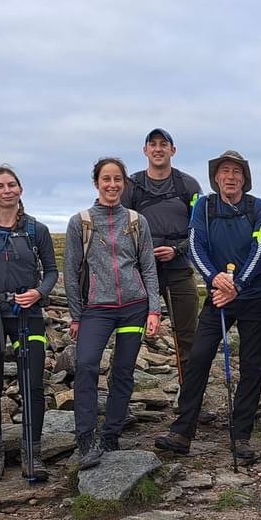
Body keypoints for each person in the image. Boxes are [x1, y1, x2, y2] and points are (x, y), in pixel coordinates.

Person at [155, 150, 261, 465]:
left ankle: (241, 435)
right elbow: (196, 246)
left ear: (244, 178)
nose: (230, 177)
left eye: (236, 172)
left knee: (252, 365)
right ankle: (182, 431)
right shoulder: (203, 207)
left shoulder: (260, 207)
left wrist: (237, 286)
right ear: (216, 177)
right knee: (198, 357)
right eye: (225, 171)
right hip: (218, 295)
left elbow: (260, 249)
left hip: (253, 295)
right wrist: (215, 278)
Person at [0, 165, 59, 481]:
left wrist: (39, 292)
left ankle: (33, 454)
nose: (7, 190)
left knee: (33, 384)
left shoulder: (36, 230)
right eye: (0, 186)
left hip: (27, 314)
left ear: (20, 189)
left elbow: (52, 271)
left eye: (12, 185)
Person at [64, 157, 161, 469]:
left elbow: (148, 267)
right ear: (96, 183)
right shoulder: (81, 222)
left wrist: (154, 310)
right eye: (106, 179)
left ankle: (111, 435)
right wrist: (76, 315)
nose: (112, 185)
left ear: (124, 183)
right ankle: (85, 439)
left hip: (134, 307)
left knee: (123, 371)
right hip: (96, 309)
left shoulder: (136, 221)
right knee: (86, 365)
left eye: (117, 179)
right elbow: (71, 272)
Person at [121, 128, 203, 381]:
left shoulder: (188, 185)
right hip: (140, 274)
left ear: (172, 150)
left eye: (163, 144)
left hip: (179, 270)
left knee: (188, 336)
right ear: (145, 150)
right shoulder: (131, 185)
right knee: (129, 334)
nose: (158, 149)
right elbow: (120, 227)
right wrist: (142, 254)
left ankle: (189, 395)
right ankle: (120, 396)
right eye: (153, 144)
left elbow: (200, 229)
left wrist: (177, 250)